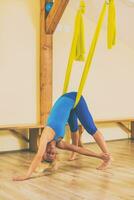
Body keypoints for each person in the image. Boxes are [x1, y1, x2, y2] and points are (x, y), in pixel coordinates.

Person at [13, 92, 112, 181]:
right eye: (53, 154)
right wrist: (98, 155)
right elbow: (78, 149)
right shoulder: (59, 143)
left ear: (43, 151)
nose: (51, 152)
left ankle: (108, 158)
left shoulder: (46, 135)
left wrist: (27, 175)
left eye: (48, 153)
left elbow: (38, 156)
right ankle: (105, 157)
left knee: (91, 129)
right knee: (74, 129)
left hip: (73, 98)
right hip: (69, 103)